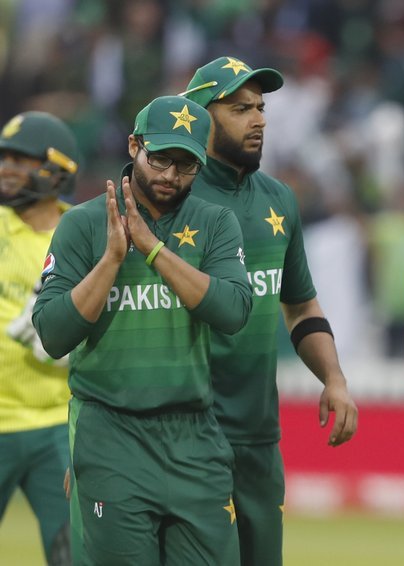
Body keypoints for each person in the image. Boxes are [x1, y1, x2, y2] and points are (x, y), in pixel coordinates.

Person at [32, 95, 252, 565]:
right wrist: (112, 258)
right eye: (160, 159)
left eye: (186, 164)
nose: (170, 175)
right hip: (112, 436)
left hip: (194, 436)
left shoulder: (215, 223)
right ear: (134, 145)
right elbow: (52, 335)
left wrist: (152, 250)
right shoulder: (82, 225)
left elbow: (233, 312)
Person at [181, 56, 358, 566]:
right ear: (199, 115)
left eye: (261, 107)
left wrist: (335, 378)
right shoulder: (173, 200)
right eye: (240, 109)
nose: (259, 119)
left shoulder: (279, 199)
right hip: (187, 433)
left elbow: (300, 305)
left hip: (259, 434)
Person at [0, 111, 80, 566]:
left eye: (21, 158)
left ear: (57, 168)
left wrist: (72, 336)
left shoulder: (87, 232)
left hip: (57, 424)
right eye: (4, 157)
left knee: (74, 552)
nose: (7, 167)